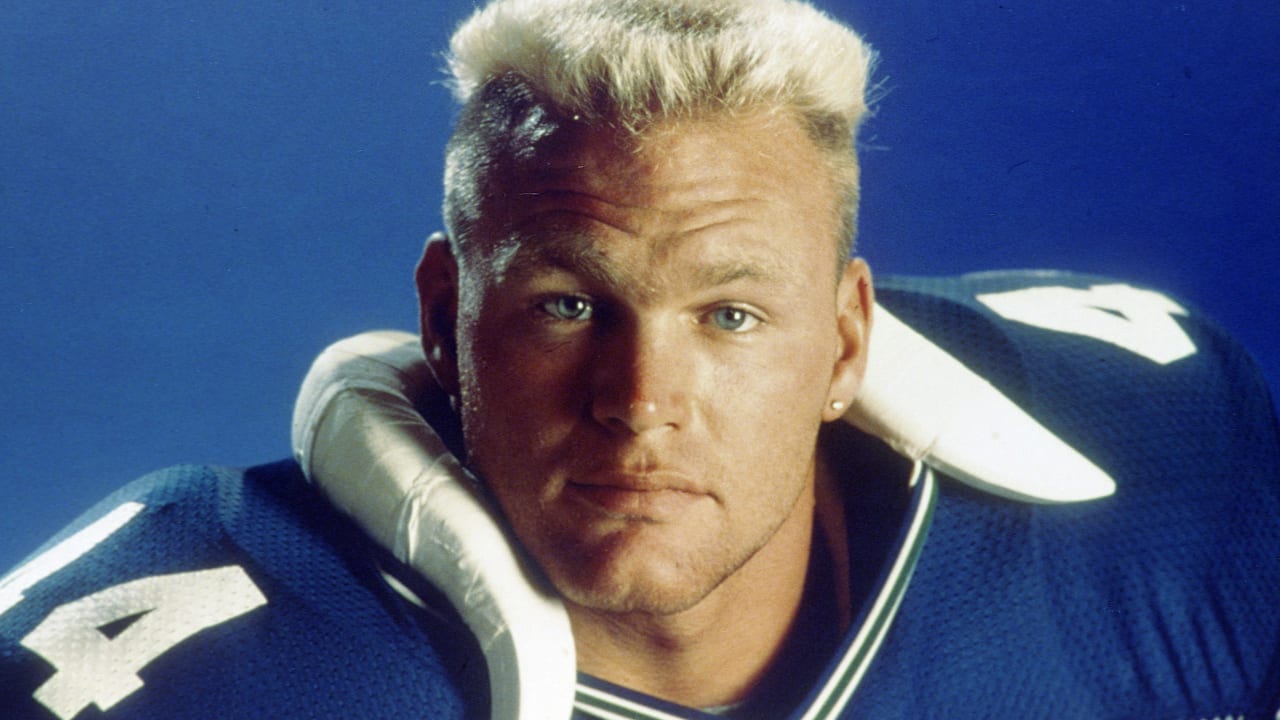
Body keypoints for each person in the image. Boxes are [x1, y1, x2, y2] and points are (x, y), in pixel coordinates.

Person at [3, 0, 1279, 718]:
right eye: (566, 305)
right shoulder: (162, 656)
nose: (639, 406)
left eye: (728, 316)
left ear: (844, 339)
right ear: (447, 314)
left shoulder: (1172, 459)